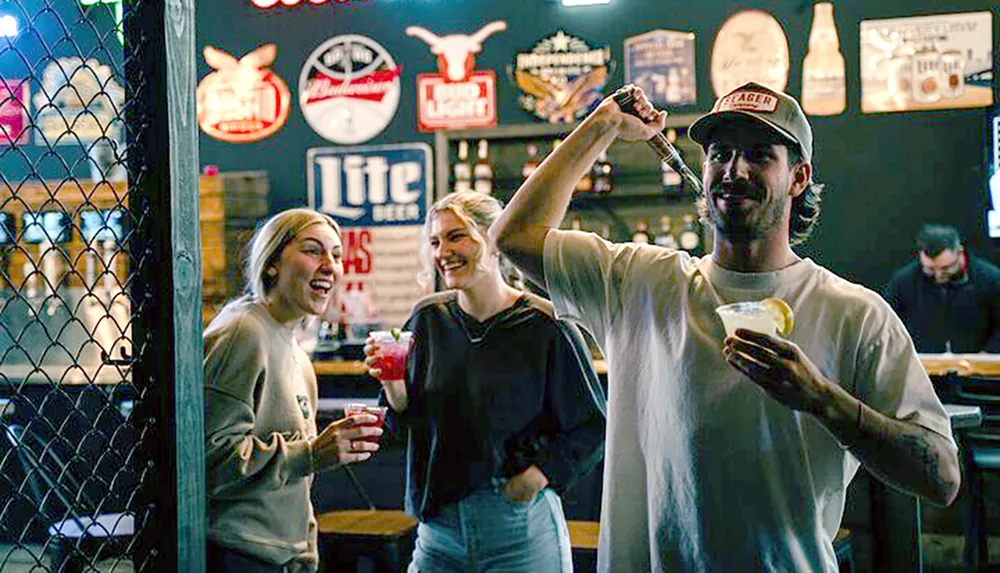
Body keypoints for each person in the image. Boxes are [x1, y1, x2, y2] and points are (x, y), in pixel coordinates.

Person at [490, 82, 961, 571]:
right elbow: (513, 235)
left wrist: (821, 399)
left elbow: (942, 478)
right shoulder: (640, 282)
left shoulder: (854, 313)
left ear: (799, 177)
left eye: (759, 155)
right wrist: (603, 124)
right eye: (721, 153)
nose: (735, 170)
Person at [363, 191, 605, 572]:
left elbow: (593, 426)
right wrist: (391, 383)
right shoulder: (427, 320)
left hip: (518, 527)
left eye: (457, 236)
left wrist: (536, 477)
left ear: (494, 240)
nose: (443, 251)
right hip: (438, 529)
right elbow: (401, 424)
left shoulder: (546, 324)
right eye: (435, 241)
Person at [204, 208, 382, 573]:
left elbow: (295, 484)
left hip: (284, 557)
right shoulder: (243, 332)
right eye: (314, 250)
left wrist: (305, 548)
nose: (330, 265)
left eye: (336, 255)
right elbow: (207, 463)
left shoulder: (297, 355)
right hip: (237, 555)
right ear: (272, 263)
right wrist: (311, 453)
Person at [883, 223, 1000, 353]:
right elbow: (887, 325)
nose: (938, 275)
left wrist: (987, 355)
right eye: (930, 269)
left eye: (946, 268)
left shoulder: (990, 279)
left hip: (980, 366)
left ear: (960, 252)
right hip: (923, 365)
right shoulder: (903, 281)